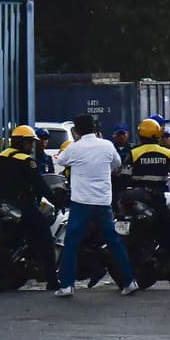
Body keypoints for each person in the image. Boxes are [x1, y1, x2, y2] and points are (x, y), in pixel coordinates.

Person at [53, 114, 137, 298]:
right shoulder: (107, 145)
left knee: (72, 243)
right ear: (94, 127)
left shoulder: (74, 148)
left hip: (81, 202)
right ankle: (129, 281)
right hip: (103, 202)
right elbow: (117, 164)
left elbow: (60, 161)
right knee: (114, 242)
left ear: (76, 130)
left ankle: (67, 284)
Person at [0, 124, 60, 291]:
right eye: (30, 142)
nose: (31, 146)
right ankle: (52, 280)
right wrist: (56, 200)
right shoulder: (26, 160)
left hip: (5, 203)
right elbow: (40, 185)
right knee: (46, 239)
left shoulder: (2, 156)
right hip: (23, 204)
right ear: (21, 142)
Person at [128, 117, 170, 289]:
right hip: (157, 200)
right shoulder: (167, 153)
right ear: (158, 134)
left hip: (136, 201)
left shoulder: (133, 153)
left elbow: (122, 175)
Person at [111, 127, 133, 192]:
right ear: (114, 136)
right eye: (119, 134)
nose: (121, 137)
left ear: (127, 135)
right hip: (113, 181)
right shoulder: (110, 148)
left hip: (129, 181)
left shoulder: (133, 149)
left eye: (123, 134)